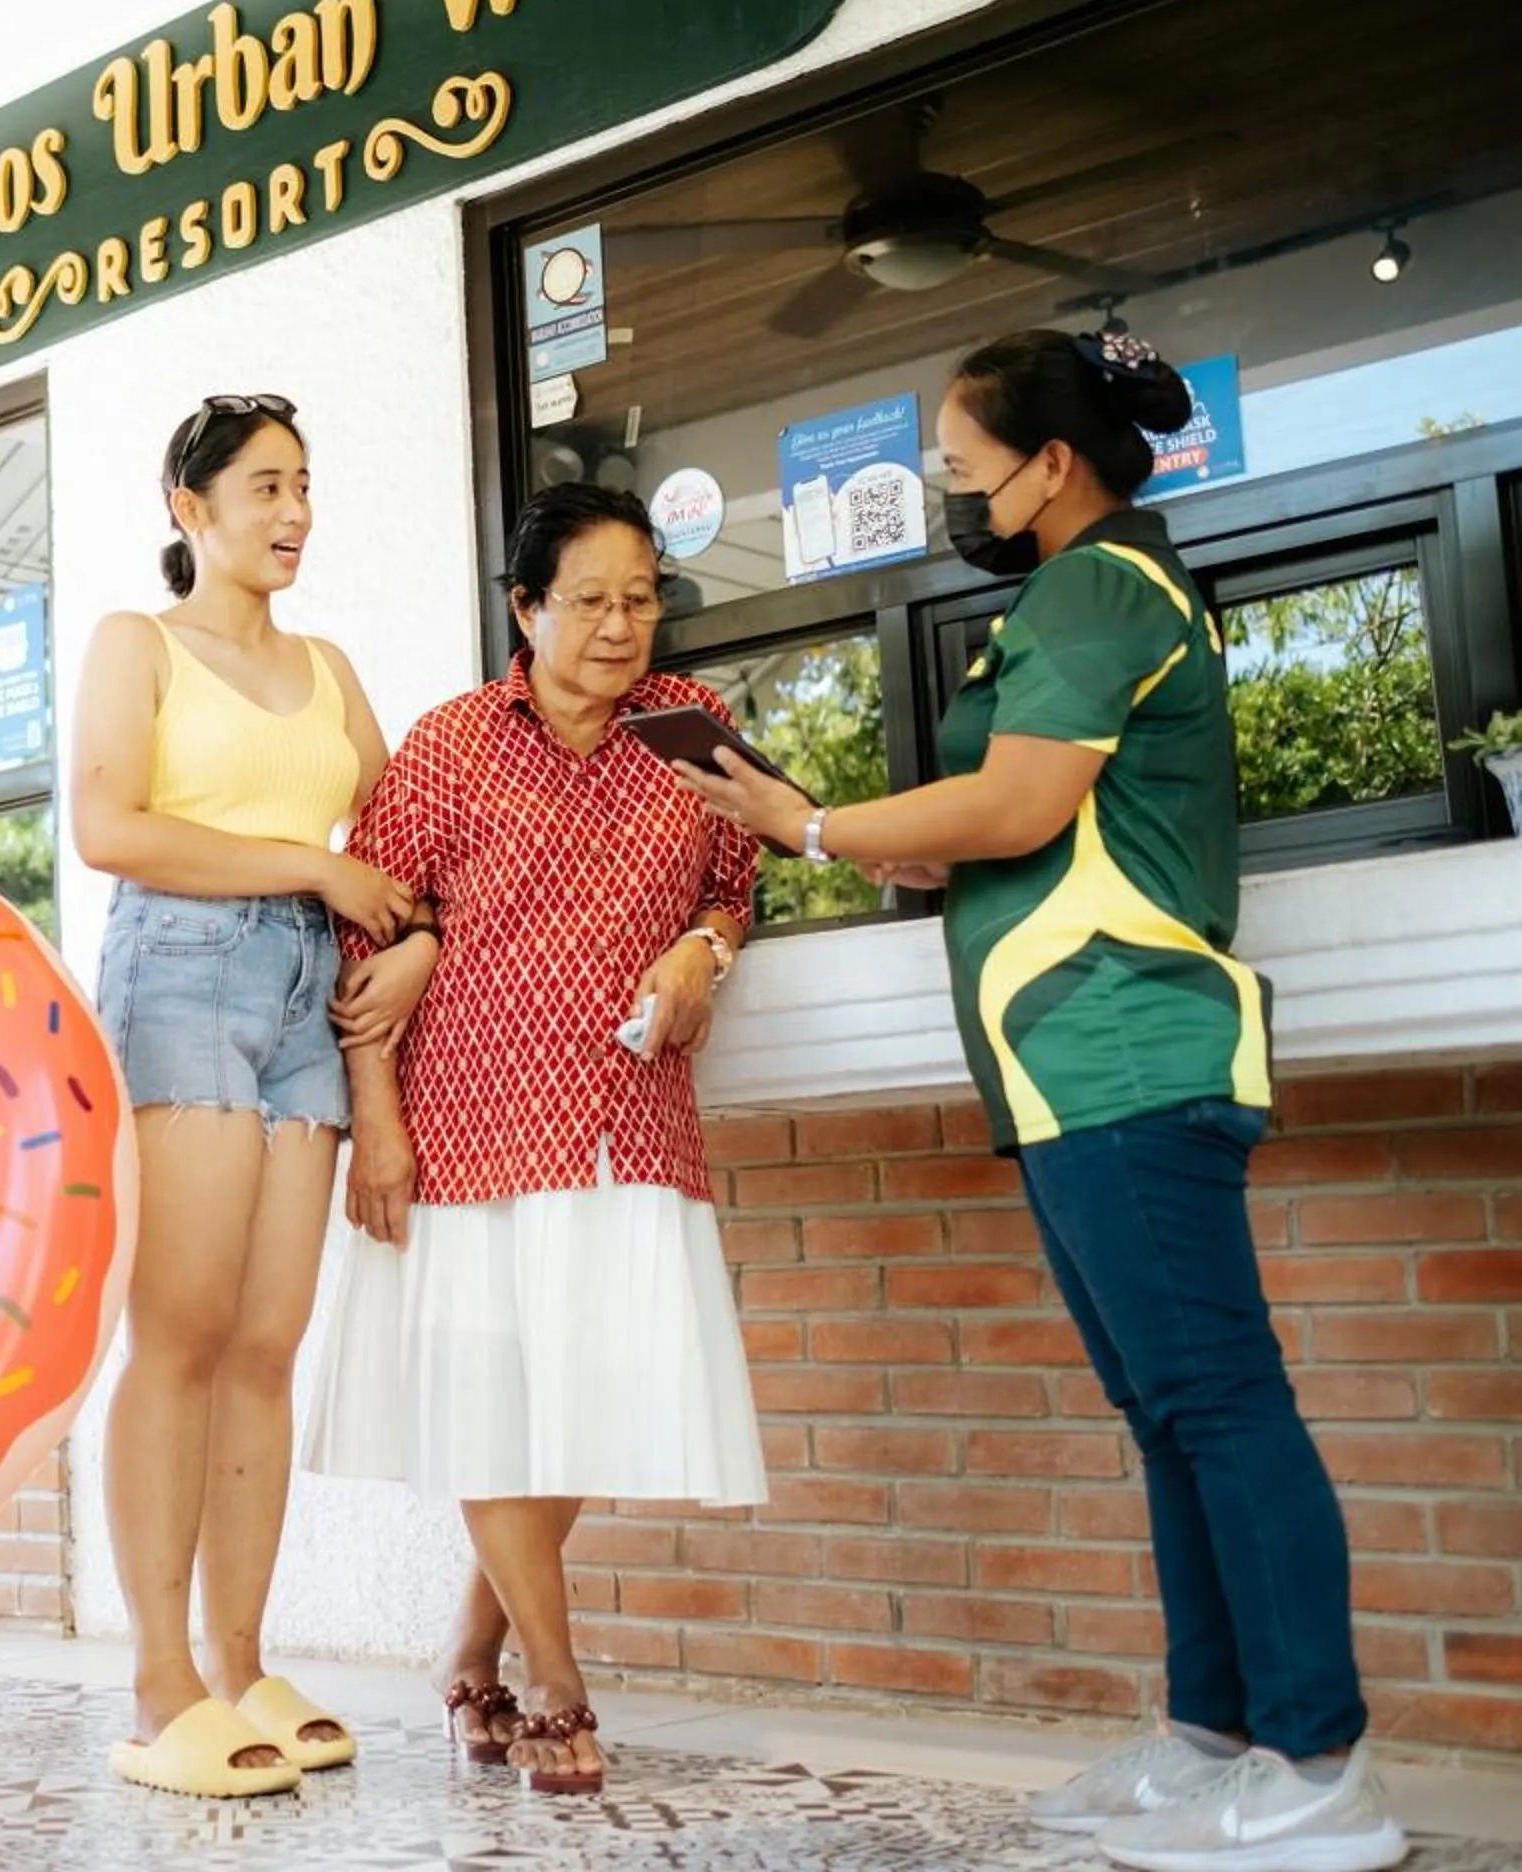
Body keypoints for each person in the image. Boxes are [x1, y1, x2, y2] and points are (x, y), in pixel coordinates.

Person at [683, 328, 1405, 1872]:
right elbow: (1006, 828)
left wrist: (814, 831)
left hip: (1129, 1051)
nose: (951, 493)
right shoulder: (1078, 598)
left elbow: (1020, 799)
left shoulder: (1098, 585)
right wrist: (880, 841)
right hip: (1067, 1063)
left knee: (1217, 1404)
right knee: (1167, 1416)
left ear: (1050, 467)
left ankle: (1322, 1764)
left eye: (962, 468)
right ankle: (1212, 1739)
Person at [302, 481, 765, 1797]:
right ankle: (557, 1683)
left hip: (627, 1117)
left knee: (576, 1404)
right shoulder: (448, 747)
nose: (623, 626)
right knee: (499, 1412)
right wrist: (376, 1130)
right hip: (471, 1125)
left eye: (643, 597)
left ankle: (468, 1655)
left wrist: (704, 948)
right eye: (592, 599)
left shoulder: (695, 728)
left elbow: (743, 882)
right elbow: (368, 938)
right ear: (526, 606)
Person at [68, 395, 406, 1800]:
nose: (294, 513)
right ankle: (158, 1684)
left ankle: (241, 1659)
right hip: (185, 970)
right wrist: (317, 871)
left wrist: (410, 935)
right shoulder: (136, 644)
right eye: (265, 487)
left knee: (269, 1340)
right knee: (186, 1331)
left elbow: (399, 841)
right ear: (186, 505)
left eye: (306, 487)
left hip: (309, 996)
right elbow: (108, 828)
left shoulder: (327, 666)